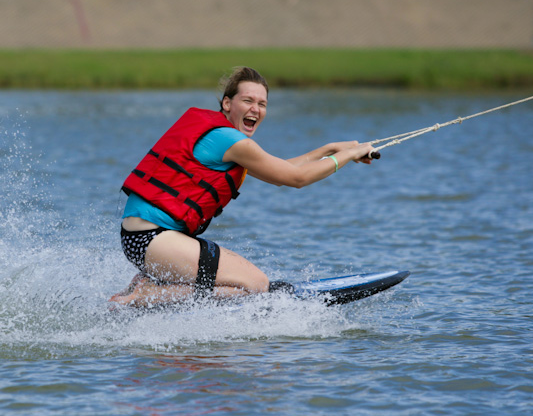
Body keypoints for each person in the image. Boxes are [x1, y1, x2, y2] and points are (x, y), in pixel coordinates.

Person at [109, 67, 375, 307]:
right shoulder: (232, 142)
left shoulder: (220, 136)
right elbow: (297, 178)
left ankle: (154, 288)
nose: (255, 109)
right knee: (256, 286)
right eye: (247, 101)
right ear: (227, 103)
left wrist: (331, 149)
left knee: (241, 284)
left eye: (262, 104)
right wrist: (350, 155)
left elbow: (284, 170)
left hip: (141, 240)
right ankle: (145, 297)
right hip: (154, 240)